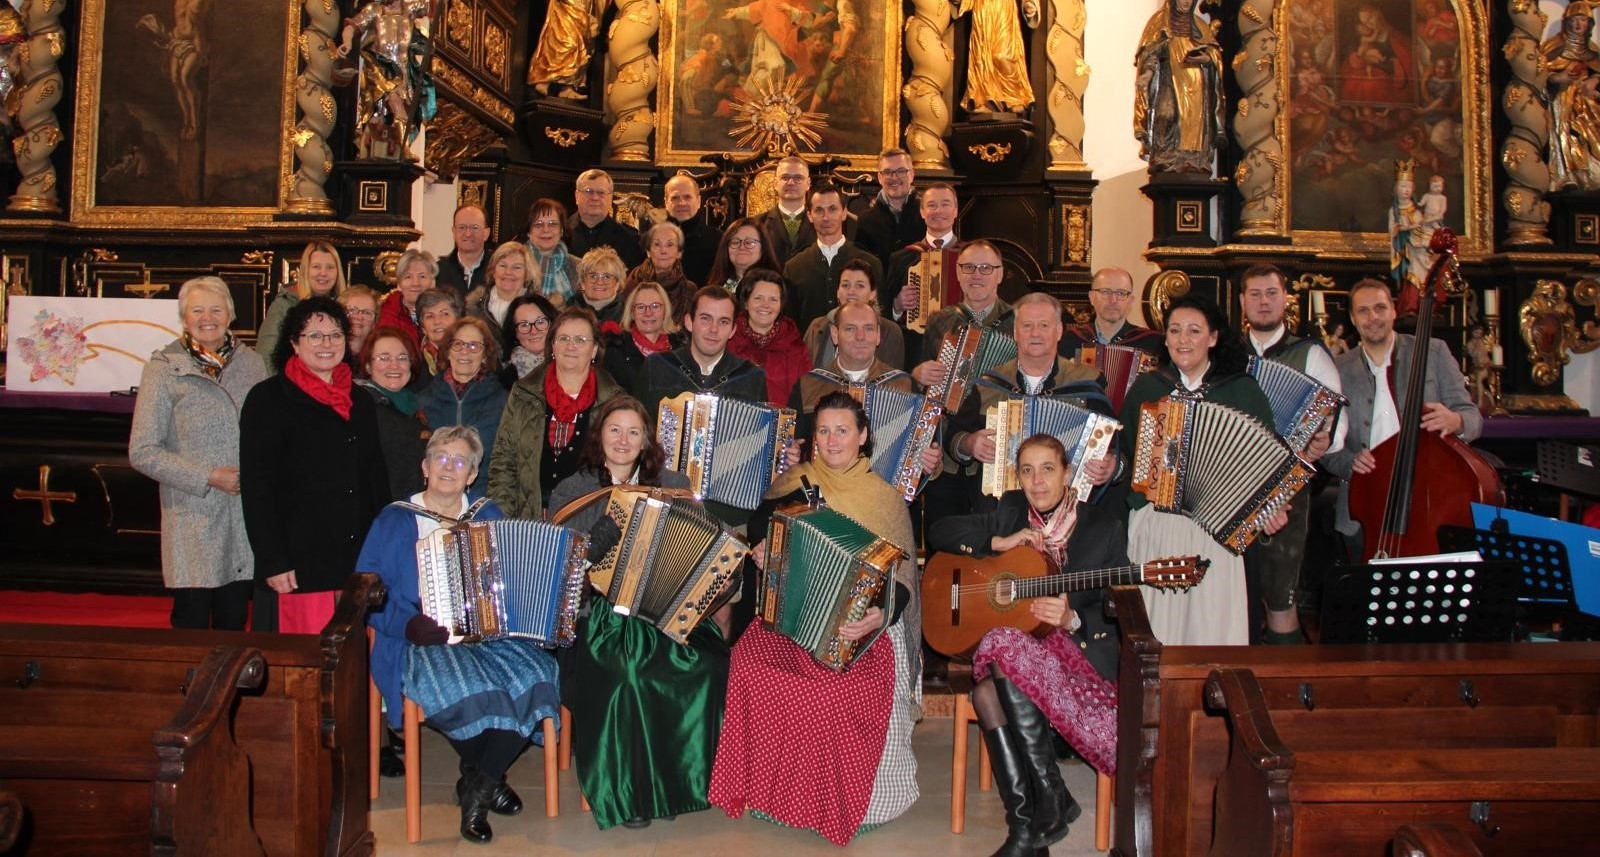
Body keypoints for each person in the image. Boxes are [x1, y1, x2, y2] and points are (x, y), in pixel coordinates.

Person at [708, 391, 919, 845]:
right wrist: (762, 554)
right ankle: (772, 794)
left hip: (860, 627)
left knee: (833, 695)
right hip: (790, 618)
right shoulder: (790, 485)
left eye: (843, 430)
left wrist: (877, 617)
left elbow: (901, 583)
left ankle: (838, 802)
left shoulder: (884, 500)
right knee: (748, 665)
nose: (832, 440)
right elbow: (761, 543)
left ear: (863, 436)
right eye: (823, 431)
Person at [359, 426, 559, 844]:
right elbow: (368, 591)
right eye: (441, 458)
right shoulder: (395, 518)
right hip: (420, 640)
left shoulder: (487, 515)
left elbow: (512, 581)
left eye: (460, 461)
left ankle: (478, 782)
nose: (449, 468)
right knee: (467, 686)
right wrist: (408, 624)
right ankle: (484, 784)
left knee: (537, 674)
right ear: (425, 466)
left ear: (472, 475)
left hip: (486, 638)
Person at [928, 434, 1125, 856]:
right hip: (1015, 665)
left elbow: (1120, 605)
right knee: (992, 677)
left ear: (1068, 474)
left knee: (1000, 649)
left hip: (1079, 658)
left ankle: (1045, 807)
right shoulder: (1008, 513)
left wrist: (1073, 618)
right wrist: (996, 543)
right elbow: (939, 530)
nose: (1037, 481)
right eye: (1027, 470)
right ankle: (1029, 825)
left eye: (1048, 469)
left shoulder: (1103, 527)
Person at [547, 396, 726, 831]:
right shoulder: (573, 489)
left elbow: (701, 547)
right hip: (599, 616)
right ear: (599, 436)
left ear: (646, 439)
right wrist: (605, 533)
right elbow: (565, 569)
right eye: (614, 430)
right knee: (628, 673)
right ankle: (633, 792)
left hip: (662, 611)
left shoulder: (672, 482)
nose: (623, 440)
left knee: (712, 661)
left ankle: (691, 779)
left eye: (633, 432)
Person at [1119, 293, 1284, 645]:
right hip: (1158, 524)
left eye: (1194, 331)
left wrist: (1271, 506)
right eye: (1175, 330)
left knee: (1213, 627)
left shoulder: (1242, 391)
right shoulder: (1148, 388)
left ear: (1213, 338)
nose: (1183, 339)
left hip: (1218, 530)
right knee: (1159, 627)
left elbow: (1269, 461)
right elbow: (1126, 456)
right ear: (1165, 339)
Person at [241, 296, 390, 633]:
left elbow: (374, 480)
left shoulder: (361, 399)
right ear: (294, 343)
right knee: (307, 668)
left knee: (354, 665)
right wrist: (273, 560)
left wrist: (380, 551)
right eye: (315, 336)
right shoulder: (267, 399)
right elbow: (258, 488)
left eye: (336, 335)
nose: (327, 344)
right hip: (299, 564)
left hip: (355, 559)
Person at [130, 275, 268, 630]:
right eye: (197, 310)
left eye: (216, 309)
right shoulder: (164, 368)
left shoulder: (252, 365)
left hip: (242, 514)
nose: (208, 317)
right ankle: (189, 686)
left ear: (231, 314)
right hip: (193, 516)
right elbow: (142, 450)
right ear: (184, 317)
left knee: (234, 618)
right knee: (191, 619)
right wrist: (207, 476)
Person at [1321, 279, 1483, 555]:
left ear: (1394, 311)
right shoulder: (1336, 369)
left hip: (1430, 498)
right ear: (1352, 318)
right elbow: (1325, 446)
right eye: (1363, 311)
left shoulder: (1434, 353)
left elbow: (1473, 418)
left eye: (1380, 308)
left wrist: (1456, 421)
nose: (1373, 318)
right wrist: (1350, 462)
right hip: (1365, 504)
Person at [1239, 264, 1345, 644]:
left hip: (1288, 491)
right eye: (1255, 294)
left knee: (1279, 594)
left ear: (1285, 299)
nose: (1263, 302)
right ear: (1242, 302)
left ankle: (1288, 683)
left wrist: (1325, 440)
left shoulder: (1310, 354)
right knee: (1238, 595)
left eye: (1271, 293)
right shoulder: (1227, 354)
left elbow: (1335, 418)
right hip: (1231, 488)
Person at [950, 293, 1117, 509]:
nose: (1035, 333)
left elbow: (1114, 446)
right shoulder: (988, 384)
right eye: (1027, 326)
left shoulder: (1088, 382)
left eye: (1044, 325)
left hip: (1068, 510)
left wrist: (1111, 464)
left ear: (1058, 332)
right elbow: (954, 436)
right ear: (1015, 333)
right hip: (1001, 508)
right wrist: (969, 443)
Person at [910, 240, 1017, 529]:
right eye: (968, 267)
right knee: (944, 531)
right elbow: (926, 391)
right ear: (957, 273)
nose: (976, 275)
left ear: (1000, 274)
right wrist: (918, 376)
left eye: (986, 268)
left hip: (998, 447)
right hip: (946, 449)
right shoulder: (940, 320)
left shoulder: (1019, 323)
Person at [490, 307, 625, 518]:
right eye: (563, 338)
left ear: (594, 349)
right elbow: (503, 462)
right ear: (552, 346)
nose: (571, 346)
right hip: (528, 523)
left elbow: (622, 473)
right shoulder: (523, 394)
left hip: (587, 524)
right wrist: (501, 520)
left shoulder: (614, 403)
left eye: (580, 340)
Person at [633, 285, 769, 417]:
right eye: (705, 319)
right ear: (689, 322)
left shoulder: (751, 377)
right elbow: (638, 426)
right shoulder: (657, 367)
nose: (713, 329)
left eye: (723, 322)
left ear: (733, 330)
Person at [419, 317, 507, 498]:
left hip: (484, 503)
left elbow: (508, 463)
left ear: (484, 355)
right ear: (448, 351)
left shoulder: (504, 402)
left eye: (474, 346)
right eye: (458, 344)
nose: (465, 352)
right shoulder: (423, 401)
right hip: (434, 503)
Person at [1134, 0, 1226, 172]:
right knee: (1166, 114)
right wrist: (1147, 74)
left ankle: (1194, 159)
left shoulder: (1199, 25)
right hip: (1169, 79)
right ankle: (1165, 157)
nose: (1186, 2)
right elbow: (1150, 52)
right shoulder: (1159, 22)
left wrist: (1207, 59)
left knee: (1194, 120)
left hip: (1196, 85)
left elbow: (1214, 54)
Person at [338, 0, 436, 159]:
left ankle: (367, 147)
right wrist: (347, 42)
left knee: (383, 113)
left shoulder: (409, 8)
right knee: (394, 101)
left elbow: (433, 6)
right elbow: (352, 26)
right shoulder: (375, 10)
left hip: (402, 67)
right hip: (380, 67)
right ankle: (404, 149)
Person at [784, 183, 883, 334]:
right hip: (809, 354)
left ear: (844, 213)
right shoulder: (794, 267)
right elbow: (788, 325)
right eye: (819, 210)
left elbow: (883, 319)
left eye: (832, 209)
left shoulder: (870, 263)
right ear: (810, 216)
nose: (826, 217)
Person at [885, 183, 962, 363]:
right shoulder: (901, 257)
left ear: (956, 210)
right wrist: (897, 306)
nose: (938, 211)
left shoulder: (970, 256)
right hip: (914, 349)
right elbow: (883, 311)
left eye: (945, 204)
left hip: (960, 347)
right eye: (932, 205)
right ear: (922, 212)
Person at [357, 326, 428, 501]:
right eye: (384, 358)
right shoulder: (362, 408)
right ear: (368, 365)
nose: (394, 365)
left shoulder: (414, 405)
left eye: (402, 358)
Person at [728, 269, 813, 407]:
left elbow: (808, 395)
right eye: (758, 298)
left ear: (781, 305)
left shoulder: (795, 346)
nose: (765, 305)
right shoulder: (729, 340)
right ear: (745, 303)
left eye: (773, 299)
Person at [258, 241, 345, 371]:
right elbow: (265, 353)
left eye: (330, 267)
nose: (323, 273)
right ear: (305, 270)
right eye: (316, 267)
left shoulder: (342, 306)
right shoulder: (284, 304)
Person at [803, 259, 905, 370]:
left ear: (873, 293)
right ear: (837, 292)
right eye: (845, 285)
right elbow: (804, 374)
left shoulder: (890, 331)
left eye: (860, 286)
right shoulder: (817, 326)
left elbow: (891, 380)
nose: (851, 292)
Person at [1545, 1, 1600, 191]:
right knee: (1563, 128)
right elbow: (1536, 72)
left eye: (1583, 20)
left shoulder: (1593, 50)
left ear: (1589, 24)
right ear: (1567, 22)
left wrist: (1594, 79)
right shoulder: (1555, 45)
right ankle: (1566, 174)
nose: (1578, 25)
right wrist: (1557, 78)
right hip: (1561, 98)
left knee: (1591, 133)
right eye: (1575, 20)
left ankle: (1591, 173)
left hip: (1587, 100)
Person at [1058, 266, 1165, 359]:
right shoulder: (1070, 340)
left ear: (1130, 300)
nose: (1113, 300)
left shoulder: (1152, 343)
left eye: (1121, 293)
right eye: (1105, 292)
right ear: (1092, 297)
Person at [855, 148, 926, 273]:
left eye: (901, 171)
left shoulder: (927, 214)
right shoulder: (865, 221)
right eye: (887, 172)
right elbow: (863, 272)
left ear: (911, 175)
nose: (894, 177)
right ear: (880, 177)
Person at [961, 0, 1039, 114]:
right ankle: (983, 99)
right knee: (982, 56)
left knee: (1003, 56)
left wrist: (1029, 3)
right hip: (983, 7)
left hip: (1004, 7)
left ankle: (1014, 98)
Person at [604, 280, 681, 393]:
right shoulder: (615, 351)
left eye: (655, 306)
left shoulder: (681, 349)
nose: (648, 313)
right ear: (632, 313)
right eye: (640, 307)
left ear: (665, 311)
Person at [465, 241, 540, 353]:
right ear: (493, 272)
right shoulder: (473, 309)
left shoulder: (539, 310)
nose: (508, 272)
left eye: (517, 267)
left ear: (527, 274)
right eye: (502, 265)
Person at [568, 169, 644, 268]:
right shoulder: (560, 234)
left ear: (611, 197)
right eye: (588, 191)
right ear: (577, 196)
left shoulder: (629, 239)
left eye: (601, 192)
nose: (595, 197)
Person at [625, 220, 698, 319]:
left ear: (679, 253)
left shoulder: (689, 290)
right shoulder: (632, 282)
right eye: (657, 244)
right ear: (648, 251)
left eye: (670, 245)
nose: (663, 251)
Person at [526, 0, 599, 99]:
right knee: (564, 40)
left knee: (578, 43)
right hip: (566, 6)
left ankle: (567, 88)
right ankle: (544, 79)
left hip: (583, 5)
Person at [659, 173, 721, 286]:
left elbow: (730, 278)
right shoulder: (653, 239)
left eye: (687, 197)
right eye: (675, 198)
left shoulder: (718, 239)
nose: (681, 203)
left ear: (699, 201)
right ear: (666, 202)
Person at [755, 155, 818, 262]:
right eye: (785, 177)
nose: (791, 182)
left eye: (798, 178)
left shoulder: (822, 222)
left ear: (808, 184)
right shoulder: (757, 223)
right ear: (775, 184)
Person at [524, 198, 580, 307]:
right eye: (538, 224)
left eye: (553, 224)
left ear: (562, 230)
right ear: (528, 231)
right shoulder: (516, 264)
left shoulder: (579, 267)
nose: (546, 229)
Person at [704, 217, 782, 294]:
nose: (741, 247)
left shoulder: (778, 286)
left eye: (749, 242)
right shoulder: (715, 288)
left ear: (763, 247)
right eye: (735, 242)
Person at [377, 247, 436, 348]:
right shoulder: (384, 315)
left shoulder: (444, 312)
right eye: (408, 277)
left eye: (422, 276)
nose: (415, 283)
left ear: (432, 282)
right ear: (399, 284)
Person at [497, 293, 558, 388]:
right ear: (515, 332)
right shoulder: (505, 381)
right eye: (524, 325)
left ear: (553, 324)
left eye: (540, 322)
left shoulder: (571, 363)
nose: (534, 331)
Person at [436, 204, 491, 298]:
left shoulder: (498, 270)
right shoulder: (438, 271)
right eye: (461, 227)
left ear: (486, 233)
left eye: (475, 227)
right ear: (453, 232)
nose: (468, 234)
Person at [415, 287, 463, 380]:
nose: (437, 321)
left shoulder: (472, 354)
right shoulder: (415, 364)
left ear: (458, 320)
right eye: (429, 316)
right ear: (423, 327)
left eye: (445, 314)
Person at [576, 247, 627, 326]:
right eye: (593, 276)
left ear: (617, 284)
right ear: (583, 283)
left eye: (607, 277)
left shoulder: (628, 315)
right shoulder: (569, 310)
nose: (599, 282)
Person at [338, 285, 380, 370]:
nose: (359, 317)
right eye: (352, 310)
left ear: (374, 323)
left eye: (367, 313)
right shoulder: (330, 354)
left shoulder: (378, 358)